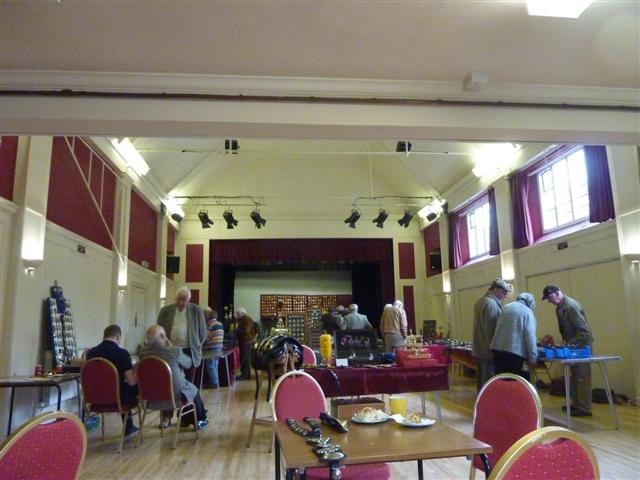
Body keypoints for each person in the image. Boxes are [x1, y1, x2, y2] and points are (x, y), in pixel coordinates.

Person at [138, 324, 208, 429]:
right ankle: (199, 421)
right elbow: (188, 364)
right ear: (163, 336)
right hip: (175, 396)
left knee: (164, 384)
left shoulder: (142, 352)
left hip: (152, 396)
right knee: (193, 390)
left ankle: (169, 419)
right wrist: (169, 346)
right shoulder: (174, 351)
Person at [542, 285, 594, 416]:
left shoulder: (571, 306)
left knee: (582, 377)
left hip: (582, 346)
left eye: (549, 298)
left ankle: (584, 408)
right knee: (575, 376)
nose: (549, 301)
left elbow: (584, 332)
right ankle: (576, 404)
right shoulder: (560, 308)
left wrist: (568, 345)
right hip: (573, 346)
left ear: (557, 293)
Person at [87, 324, 139, 438]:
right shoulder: (122, 353)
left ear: (104, 336)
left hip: (95, 398)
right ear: (118, 337)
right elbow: (131, 382)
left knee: (122, 387)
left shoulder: (90, 353)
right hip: (117, 398)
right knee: (133, 387)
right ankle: (129, 426)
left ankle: (128, 426)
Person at [157, 286, 207, 377]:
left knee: (190, 377)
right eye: (179, 299)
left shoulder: (197, 310)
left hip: (190, 349)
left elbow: (203, 332)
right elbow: (159, 329)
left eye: (184, 300)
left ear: (189, 300)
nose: (181, 302)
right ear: (175, 298)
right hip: (171, 348)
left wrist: (197, 344)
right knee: (173, 376)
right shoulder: (165, 311)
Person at [472, 278, 511, 391]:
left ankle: (481, 403)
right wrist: (495, 350)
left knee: (481, 380)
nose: (505, 295)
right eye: (504, 292)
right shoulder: (491, 305)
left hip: (479, 348)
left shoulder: (480, 301)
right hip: (488, 350)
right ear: (497, 290)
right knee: (489, 382)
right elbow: (491, 331)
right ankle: (488, 405)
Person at [490, 293, 538, 381]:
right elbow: (530, 336)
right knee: (518, 382)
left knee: (501, 381)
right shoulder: (527, 311)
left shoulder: (506, 307)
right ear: (530, 303)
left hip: (497, 350)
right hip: (515, 353)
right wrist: (533, 358)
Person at [203, 307, 224, 388]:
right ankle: (216, 381)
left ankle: (214, 383)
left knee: (210, 365)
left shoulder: (210, 324)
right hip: (219, 346)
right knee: (215, 364)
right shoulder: (220, 323)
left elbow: (206, 337)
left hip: (211, 347)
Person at [235, 307, 258, 380]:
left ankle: (244, 375)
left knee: (244, 359)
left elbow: (246, 329)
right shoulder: (249, 318)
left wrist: (236, 331)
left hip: (245, 341)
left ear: (242, 313)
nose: (236, 316)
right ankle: (246, 374)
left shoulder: (245, 319)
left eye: (238, 314)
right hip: (247, 341)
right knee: (246, 358)